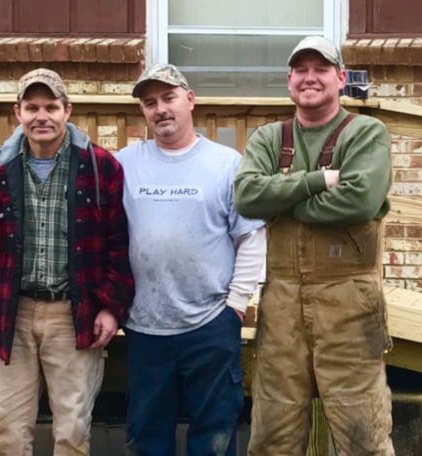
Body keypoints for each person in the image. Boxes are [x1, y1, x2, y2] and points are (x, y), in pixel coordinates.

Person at [233, 36, 395, 455]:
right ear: (289, 80)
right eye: (301, 70)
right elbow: (248, 196)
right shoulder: (269, 138)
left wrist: (287, 203)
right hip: (280, 300)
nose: (310, 78)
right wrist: (317, 182)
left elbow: (360, 201)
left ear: (340, 78)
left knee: (363, 432)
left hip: (350, 303)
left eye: (321, 69)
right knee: (272, 434)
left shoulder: (365, 133)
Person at [0, 68, 134, 455]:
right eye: (32, 107)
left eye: (51, 107)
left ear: (67, 111)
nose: (42, 116)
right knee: (5, 430)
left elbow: (118, 243)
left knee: (72, 431)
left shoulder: (100, 167)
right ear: (18, 112)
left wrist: (110, 306)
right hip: (13, 312)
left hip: (74, 314)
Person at [115, 63, 266, 455]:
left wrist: (234, 306)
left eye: (168, 98)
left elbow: (250, 236)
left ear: (190, 100)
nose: (160, 109)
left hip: (210, 325)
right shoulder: (125, 164)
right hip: (145, 326)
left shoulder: (226, 163)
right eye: (150, 103)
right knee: (147, 438)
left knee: (214, 436)